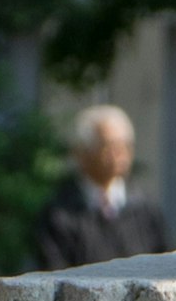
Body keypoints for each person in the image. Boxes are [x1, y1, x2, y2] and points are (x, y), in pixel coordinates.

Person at [29, 102, 143, 270]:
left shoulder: (144, 211)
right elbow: (55, 274)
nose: (119, 154)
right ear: (81, 153)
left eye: (125, 145)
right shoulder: (59, 215)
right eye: (109, 146)